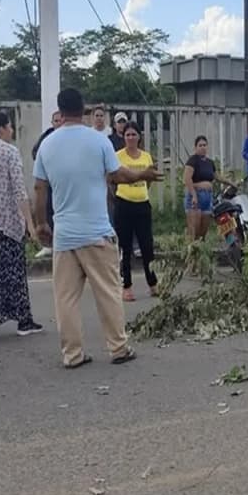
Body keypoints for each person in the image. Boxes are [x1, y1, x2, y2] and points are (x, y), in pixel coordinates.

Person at [34, 87, 160, 369]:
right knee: (108, 292)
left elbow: (40, 187)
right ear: (84, 109)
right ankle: (118, 348)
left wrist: (41, 222)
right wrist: (141, 174)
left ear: (60, 111)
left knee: (66, 299)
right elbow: (117, 175)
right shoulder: (98, 140)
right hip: (96, 232)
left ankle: (72, 354)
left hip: (64, 235)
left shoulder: (47, 144)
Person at [0, 112, 43, 343]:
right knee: (14, 274)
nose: (12, 131)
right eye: (10, 127)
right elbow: (19, 190)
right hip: (8, 223)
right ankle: (23, 320)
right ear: (2, 129)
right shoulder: (10, 152)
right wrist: (30, 224)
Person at [114, 121, 159, 301]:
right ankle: (127, 286)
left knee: (147, 246)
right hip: (124, 204)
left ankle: (153, 284)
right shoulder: (118, 156)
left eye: (134, 134)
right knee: (125, 248)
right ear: (123, 137)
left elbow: (149, 179)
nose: (131, 138)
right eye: (128, 135)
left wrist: (142, 189)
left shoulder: (146, 157)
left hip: (142, 205)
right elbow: (113, 178)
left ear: (139, 137)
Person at [183, 136, 235, 240]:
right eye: (200, 145)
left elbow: (217, 176)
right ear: (195, 148)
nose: (203, 147)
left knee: (203, 231)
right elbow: (187, 179)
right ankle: (191, 247)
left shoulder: (210, 162)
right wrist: (194, 195)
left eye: (204, 145)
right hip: (196, 197)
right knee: (194, 231)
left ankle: (202, 248)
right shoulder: (193, 160)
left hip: (207, 198)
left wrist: (231, 183)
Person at [31, 110, 64, 259]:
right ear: (52, 123)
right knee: (48, 210)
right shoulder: (46, 137)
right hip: (49, 182)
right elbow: (35, 153)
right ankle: (48, 245)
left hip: (65, 183)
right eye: (55, 121)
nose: (58, 123)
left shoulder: (69, 137)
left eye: (60, 120)